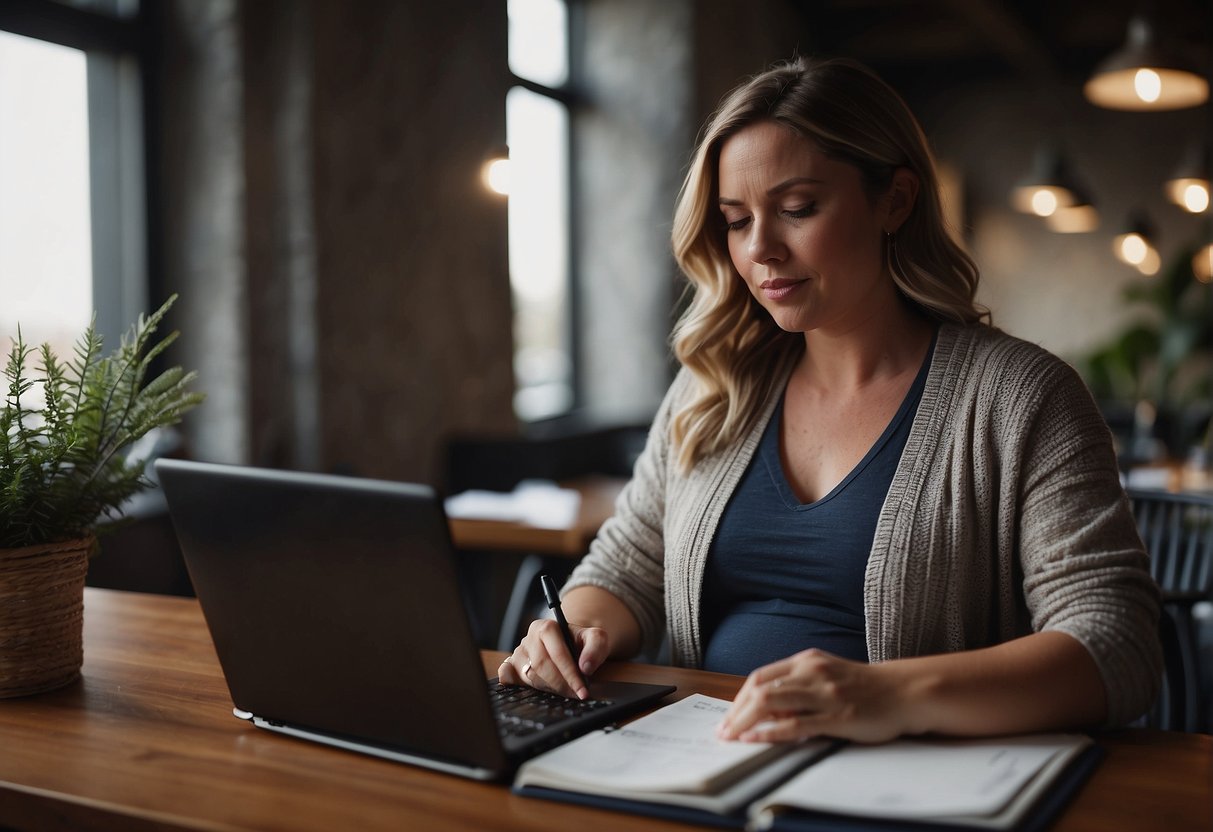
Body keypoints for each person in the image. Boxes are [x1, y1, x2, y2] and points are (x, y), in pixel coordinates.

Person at [497, 56, 1161, 744]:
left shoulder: (1021, 398)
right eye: (733, 219)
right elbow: (626, 565)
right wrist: (569, 628)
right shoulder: (716, 385)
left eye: (796, 209)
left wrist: (887, 695)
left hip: (910, 783)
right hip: (706, 761)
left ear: (894, 201)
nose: (759, 249)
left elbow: (1117, 643)